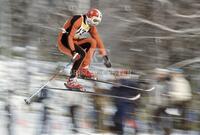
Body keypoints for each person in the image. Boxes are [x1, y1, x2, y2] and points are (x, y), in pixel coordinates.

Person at [57, 8, 111, 90]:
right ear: (89, 17)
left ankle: (84, 70)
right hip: (64, 42)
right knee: (81, 54)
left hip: (74, 42)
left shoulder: (91, 26)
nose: (95, 23)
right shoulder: (78, 20)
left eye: (98, 22)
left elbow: (98, 40)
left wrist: (105, 56)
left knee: (93, 42)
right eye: (95, 20)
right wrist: (74, 51)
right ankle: (71, 80)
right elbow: (69, 36)